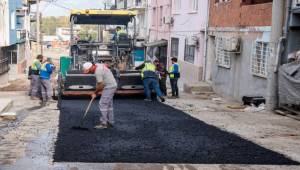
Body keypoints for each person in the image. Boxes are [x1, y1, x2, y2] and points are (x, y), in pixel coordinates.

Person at [83, 62, 118, 129]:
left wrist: (95, 93)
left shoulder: (98, 72)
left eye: (89, 71)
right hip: (112, 85)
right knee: (109, 104)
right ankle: (110, 122)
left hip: (109, 87)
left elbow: (101, 86)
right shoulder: (98, 65)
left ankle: (104, 123)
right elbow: (106, 64)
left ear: (91, 67)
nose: (90, 73)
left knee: (102, 104)